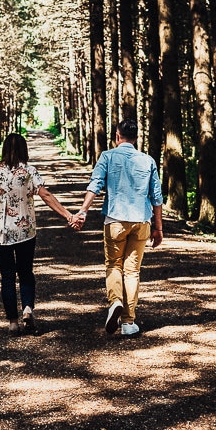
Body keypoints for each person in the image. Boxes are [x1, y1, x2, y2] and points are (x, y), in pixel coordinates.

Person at [0, 133, 77, 335]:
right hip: (24, 232)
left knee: (7, 275)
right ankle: (27, 309)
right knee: (25, 272)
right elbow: (46, 196)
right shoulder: (28, 171)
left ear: (4, 149)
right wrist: (68, 215)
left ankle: (13, 323)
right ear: (25, 150)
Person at [73, 119, 163, 336]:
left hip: (115, 220)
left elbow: (95, 185)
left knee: (114, 265)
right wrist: (158, 228)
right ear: (136, 138)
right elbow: (157, 197)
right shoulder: (148, 160)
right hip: (141, 220)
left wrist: (83, 211)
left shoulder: (107, 156)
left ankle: (115, 301)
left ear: (117, 136)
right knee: (132, 271)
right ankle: (129, 322)